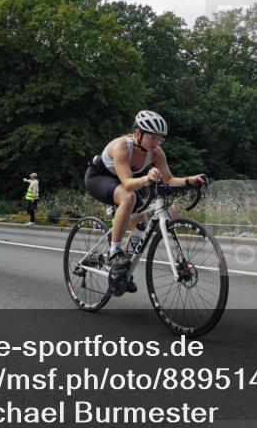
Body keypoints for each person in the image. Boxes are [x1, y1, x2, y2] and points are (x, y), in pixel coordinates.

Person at [84, 110, 205, 294]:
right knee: (129, 197)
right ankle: (115, 252)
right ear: (138, 133)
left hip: (123, 184)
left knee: (141, 227)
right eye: (153, 138)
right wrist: (147, 177)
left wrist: (190, 180)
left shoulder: (156, 153)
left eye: (160, 139)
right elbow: (126, 183)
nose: (157, 143)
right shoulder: (122, 146)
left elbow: (169, 179)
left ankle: (120, 272)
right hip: (99, 178)